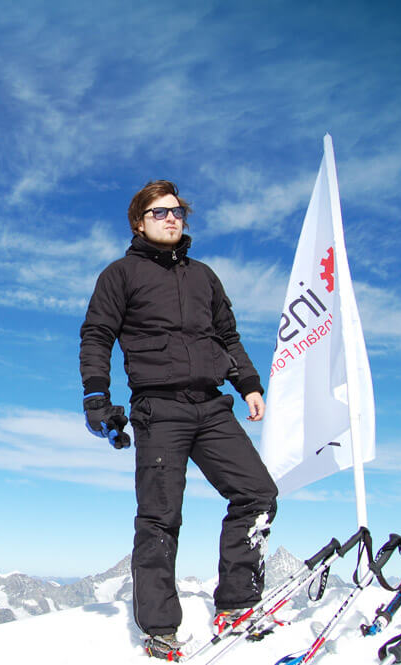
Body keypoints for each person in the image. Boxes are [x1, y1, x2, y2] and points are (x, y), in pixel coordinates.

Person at [79, 180, 278, 660]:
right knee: (160, 517)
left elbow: (228, 336)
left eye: (177, 211)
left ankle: (238, 604)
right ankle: (161, 629)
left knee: (257, 494)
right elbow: (97, 335)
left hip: (212, 406)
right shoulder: (120, 275)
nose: (171, 218)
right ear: (138, 222)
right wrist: (96, 398)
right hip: (159, 409)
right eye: (159, 212)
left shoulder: (204, 276)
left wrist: (249, 384)